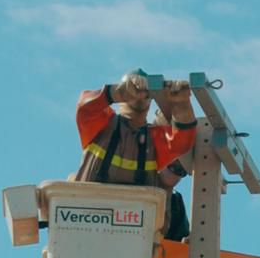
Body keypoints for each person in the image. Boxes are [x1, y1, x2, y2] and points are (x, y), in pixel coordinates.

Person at [72, 70, 197, 238]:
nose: (139, 95)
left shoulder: (153, 140)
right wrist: (115, 92)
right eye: (134, 89)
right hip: (89, 223)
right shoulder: (101, 126)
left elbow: (182, 141)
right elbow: (86, 107)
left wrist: (182, 105)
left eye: (145, 92)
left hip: (134, 232)